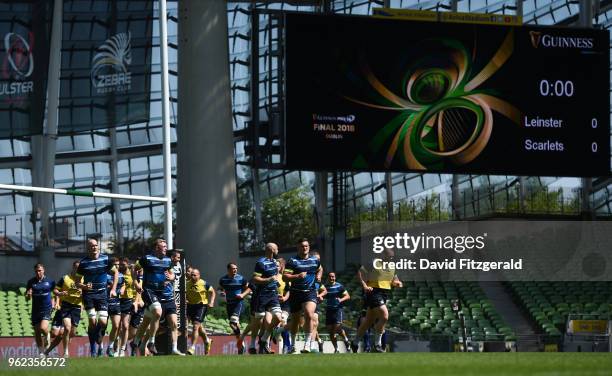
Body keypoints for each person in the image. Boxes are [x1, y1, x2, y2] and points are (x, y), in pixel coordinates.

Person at [133, 238, 184, 356]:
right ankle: (151, 343)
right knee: (157, 311)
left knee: (148, 320)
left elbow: (171, 274)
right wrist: (136, 283)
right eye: (164, 246)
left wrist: (171, 278)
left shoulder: (167, 260)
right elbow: (134, 269)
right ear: (157, 248)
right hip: (149, 291)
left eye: (166, 246)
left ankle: (137, 343)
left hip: (161, 294)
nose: (166, 248)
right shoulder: (146, 259)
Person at [351, 248, 402, 353]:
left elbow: (394, 280)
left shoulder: (392, 266)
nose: (391, 259)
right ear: (383, 255)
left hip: (384, 293)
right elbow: (360, 272)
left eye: (392, 257)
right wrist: (365, 286)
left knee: (367, 322)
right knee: (385, 316)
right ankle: (377, 344)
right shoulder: (374, 262)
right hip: (373, 292)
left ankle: (355, 342)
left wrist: (397, 283)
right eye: (389, 256)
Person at [75, 238, 118, 357]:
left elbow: (115, 273)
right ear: (87, 248)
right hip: (88, 295)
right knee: (92, 321)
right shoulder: (83, 263)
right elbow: (77, 282)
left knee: (103, 322)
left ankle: (99, 337)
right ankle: (93, 349)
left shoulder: (106, 259)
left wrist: (113, 289)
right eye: (91, 246)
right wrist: (84, 286)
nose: (94, 247)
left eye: (95, 245)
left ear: (98, 247)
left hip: (102, 294)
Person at [283, 238, 322, 354]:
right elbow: (285, 277)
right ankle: (293, 345)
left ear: (308, 247)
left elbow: (320, 268)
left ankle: (307, 344)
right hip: (295, 292)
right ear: (298, 248)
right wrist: (297, 276)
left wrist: (319, 276)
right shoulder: (292, 261)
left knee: (309, 314)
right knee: (295, 321)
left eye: (306, 246)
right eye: (302, 246)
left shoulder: (315, 260)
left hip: (309, 292)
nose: (304, 248)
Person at [44, 261, 83, 358]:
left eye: (79, 268)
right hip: (66, 306)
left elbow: (89, 293)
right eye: (76, 268)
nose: (78, 270)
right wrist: (60, 294)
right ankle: (65, 352)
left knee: (70, 333)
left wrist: (84, 293)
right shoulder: (65, 278)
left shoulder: (84, 280)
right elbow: (55, 290)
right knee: (66, 328)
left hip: (77, 308)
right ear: (73, 268)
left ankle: (47, 351)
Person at [251, 243, 283, 354]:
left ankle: (264, 339)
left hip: (273, 295)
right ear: (272, 249)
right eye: (277, 248)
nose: (278, 249)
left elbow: (275, 277)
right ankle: (252, 344)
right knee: (259, 319)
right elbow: (255, 279)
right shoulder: (261, 262)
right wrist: (269, 279)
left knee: (278, 318)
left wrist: (276, 285)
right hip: (262, 294)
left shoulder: (275, 262)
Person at [218, 262, 250, 354]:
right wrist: (222, 292)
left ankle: (241, 342)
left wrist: (243, 294)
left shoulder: (241, 278)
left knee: (232, 323)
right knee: (235, 325)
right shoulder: (223, 279)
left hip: (238, 304)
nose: (235, 270)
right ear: (228, 270)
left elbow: (249, 288)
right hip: (229, 304)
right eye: (233, 268)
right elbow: (219, 288)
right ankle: (241, 345)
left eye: (236, 268)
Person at [26, 263, 55, 357]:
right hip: (35, 310)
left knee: (42, 328)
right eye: (36, 271)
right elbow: (27, 297)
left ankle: (47, 335)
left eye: (40, 270)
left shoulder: (50, 281)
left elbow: (55, 294)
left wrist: (55, 303)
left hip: (46, 308)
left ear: (43, 270)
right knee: (37, 331)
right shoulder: (31, 282)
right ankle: (41, 352)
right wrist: (29, 295)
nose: (38, 272)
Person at [186, 268, 216, 355]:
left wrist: (211, 302)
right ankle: (207, 340)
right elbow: (186, 294)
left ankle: (192, 347)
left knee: (195, 326)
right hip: (190, 306)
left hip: (201, 306)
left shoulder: (204, 283)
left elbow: (213, 292)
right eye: (191, 275)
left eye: (195, 275)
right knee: (197, 327)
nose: (193, 276)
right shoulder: (187, 284)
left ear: (199, 276)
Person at [322, 272, 351, 353]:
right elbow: (321, 295)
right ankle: (336, 349)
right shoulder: (325, 287)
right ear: (328, 278)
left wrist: (341, 300)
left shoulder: (339, 286)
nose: (332, 278)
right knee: (331, 331)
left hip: (337, 310)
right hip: (329, 310)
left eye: (333, 277)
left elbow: (348, 296)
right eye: (330, 277)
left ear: (335, 277)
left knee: (337, 328)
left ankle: (346, 340)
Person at [116, 257, 137, 357]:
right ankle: (116, 348)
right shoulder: (117, 273)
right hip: (116, 300)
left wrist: (136, 301)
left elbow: (137, 286)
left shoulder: (132, 273)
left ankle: (122, 349)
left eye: (123, 265)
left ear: (127, 264)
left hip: (127, 301)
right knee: (117, 326)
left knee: (125, 325)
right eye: (120, 265)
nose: (121, 266)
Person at [105, 258, 126, 357]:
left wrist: (122, 289)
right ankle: (99, 348)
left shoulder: (121, 275)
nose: (117, 266)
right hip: (104, 303)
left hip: (116, 303)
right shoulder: (105, 275)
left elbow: (124, 284)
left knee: (117, 326)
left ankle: (110, 347)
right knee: (102, 326)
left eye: (118, 264)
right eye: (115, 264)